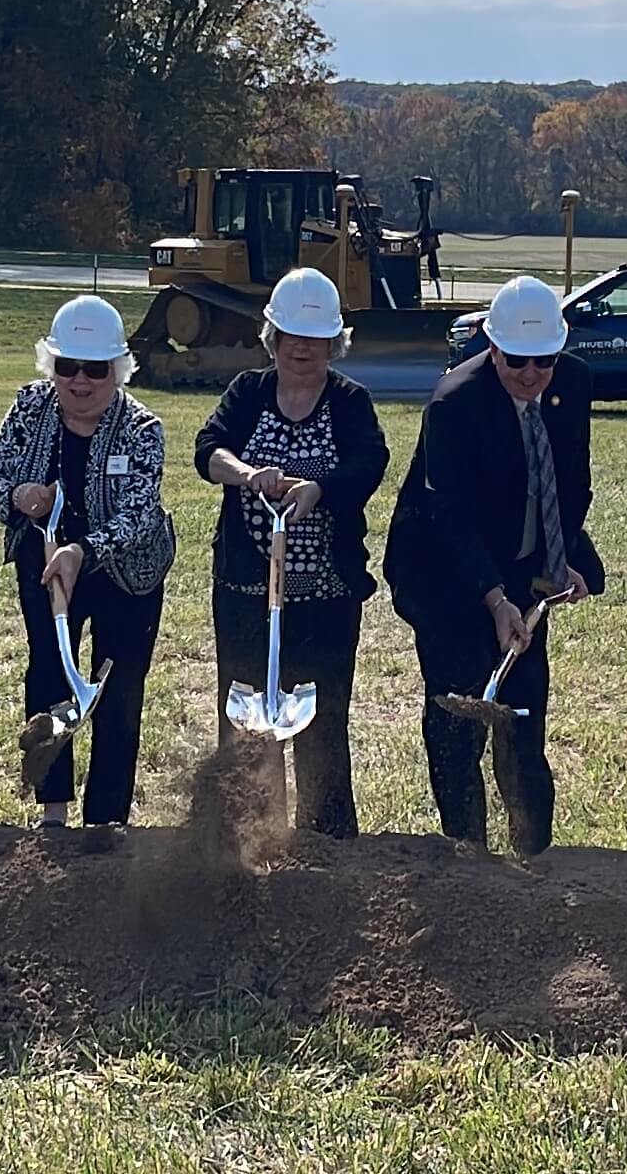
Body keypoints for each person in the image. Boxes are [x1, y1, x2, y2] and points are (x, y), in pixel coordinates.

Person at [383, 274, 604, 856]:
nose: (531, 374)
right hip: (444, 573)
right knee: (460, 724)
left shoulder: (572, 383)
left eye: (544, 360)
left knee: (524, 720)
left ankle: (533, 857)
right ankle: (468, 856)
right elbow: (449, 514)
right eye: (516, 361)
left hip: (523, 567)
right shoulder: (454, 402)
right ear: (490, 343)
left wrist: (560, 561)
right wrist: (495, 598)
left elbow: (571, 481)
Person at [194, 268, 391, 838]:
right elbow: (208, 451)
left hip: (325, 597)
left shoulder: (350, 402)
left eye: (315, 340)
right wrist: (247, 474)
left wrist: (318, 488)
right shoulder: (248, 393)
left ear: (333, 344)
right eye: (290, 337)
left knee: (321, 718)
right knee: (245, 715)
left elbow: (368, 464)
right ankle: (243, 836)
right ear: (272, 339)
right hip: (245, 593)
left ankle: (324, 837)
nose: (302, 349)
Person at [0, 295, 176, 828]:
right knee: (48, 676)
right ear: (51, 366)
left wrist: (82, 551)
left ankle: (105, 822)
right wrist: (19, 497)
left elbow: (138, 515)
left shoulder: (142, 429)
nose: (80, 381)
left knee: (118, 688)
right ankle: (54, 812)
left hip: (126, 574)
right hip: (43, 567)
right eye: (68, 367)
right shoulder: (29, 406)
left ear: (119, 371)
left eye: (96, 370)